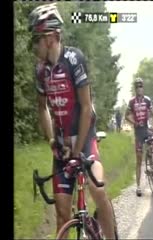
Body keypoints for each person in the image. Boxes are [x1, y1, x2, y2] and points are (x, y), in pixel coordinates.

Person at [28, 3, 115, 238]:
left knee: (99, 192)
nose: (34, 46)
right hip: (62, 147)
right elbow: (42, 107)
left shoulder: (74, 59)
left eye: (37, 39)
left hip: (85, 140)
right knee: (62, 214)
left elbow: (86, 108)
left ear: (52, 37)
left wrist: (78, 151)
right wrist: (51, 142)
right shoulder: (40, 71)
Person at [125, 78, 153, 197]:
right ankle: (138, 186)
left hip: (147, 130)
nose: (139, 89)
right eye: (137, 87)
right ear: (135, 89)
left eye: (141, 87)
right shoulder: (131, 102)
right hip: (138, 133)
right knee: (139, 159)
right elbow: (126, 116)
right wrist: (134, 122)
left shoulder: (147, 100)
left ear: (143, 88)